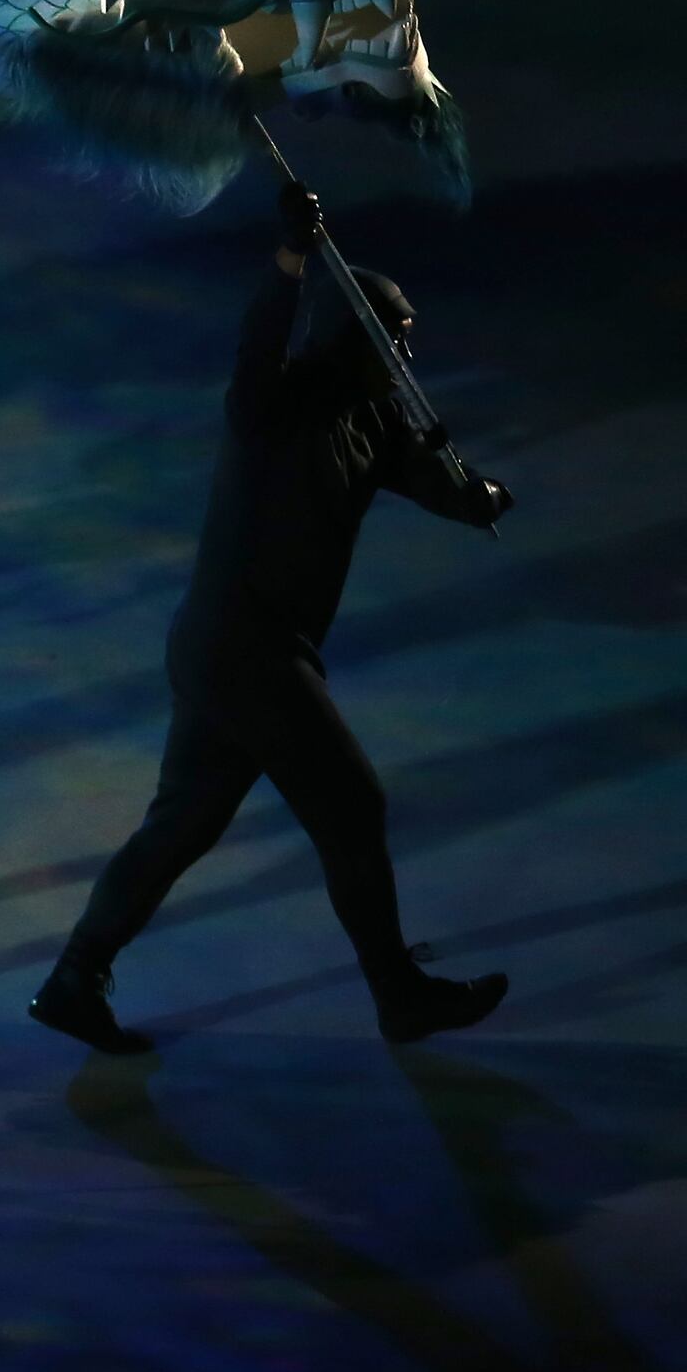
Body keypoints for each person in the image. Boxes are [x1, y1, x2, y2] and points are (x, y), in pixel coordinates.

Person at [33, 181, 514, 1052]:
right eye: (393, 334)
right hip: (244, 653)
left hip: (236, 652)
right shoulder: (275, 408)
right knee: (352, 806)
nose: (406, 350)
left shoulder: (376, 421)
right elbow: (259, 343)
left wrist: (478, 494)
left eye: (408, 334)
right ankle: (398, 996)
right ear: (349, 337)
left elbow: (436, 483)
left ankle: (74, 979)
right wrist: (290, 258)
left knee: (182, 827)